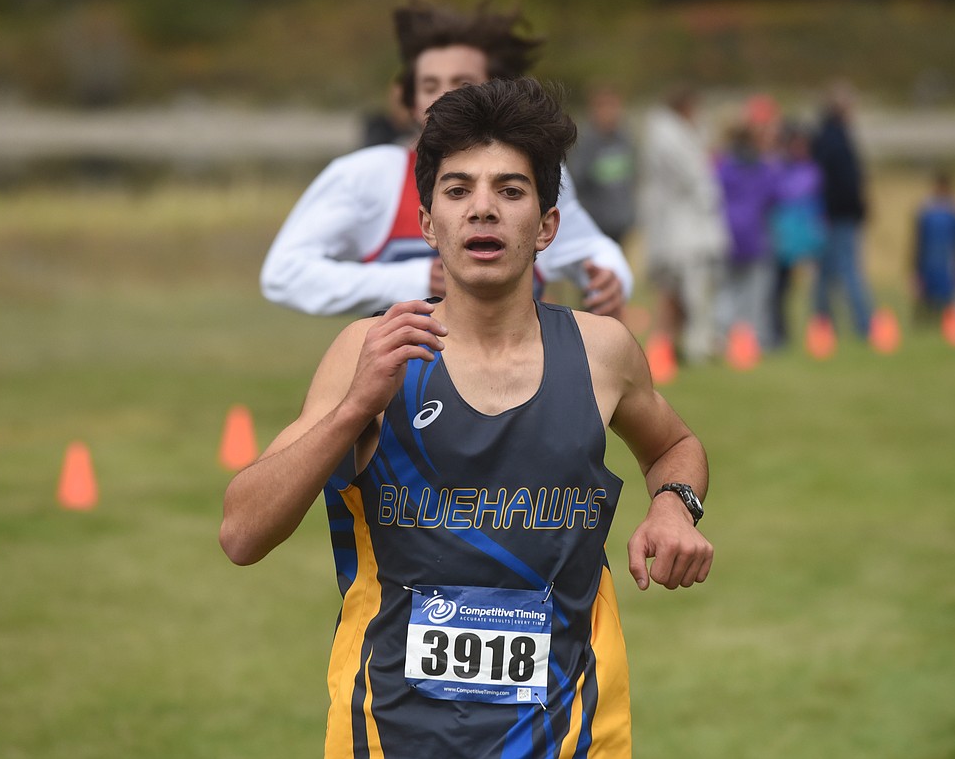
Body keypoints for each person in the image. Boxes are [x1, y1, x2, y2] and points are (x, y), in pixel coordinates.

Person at [221, 78, 713, 759]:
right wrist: (356, 405)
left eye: (510, 191)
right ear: (428, 223)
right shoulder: (369, 353)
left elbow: (675, 446)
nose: (483, 209)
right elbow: (242, 531)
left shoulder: (602, 353)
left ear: (546, 225)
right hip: (388, 736)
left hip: (569, 737)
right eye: (457, 191)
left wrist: (674, 506)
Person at [260, 0, 633, 321]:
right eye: (429, 85)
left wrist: (610, 278)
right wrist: (415, 279)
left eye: (462, 82)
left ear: (496, 89)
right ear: (409, 100)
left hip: (516, 386)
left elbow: (588, 251)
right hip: (404, 395)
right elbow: (284, 274)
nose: (443, 97)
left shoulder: (527, 170)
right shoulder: (367, 175)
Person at [639, 83, 729, 363]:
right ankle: (691, 346)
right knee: (688, 290)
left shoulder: (673, 134)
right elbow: (696, 180)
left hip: (680, 228)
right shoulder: (669, 137)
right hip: (681, 229)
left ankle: (674, 345)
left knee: (679, 292)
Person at [810, 81, 875, 338]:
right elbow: (844, 182)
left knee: (826, 273)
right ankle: (862, 324)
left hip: (828, 213)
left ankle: (822, 324)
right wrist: (858, 208)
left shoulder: (825, 137)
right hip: (839, 215)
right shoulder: (836, 138)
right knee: (848, 270)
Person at [714, 119, 779, 349]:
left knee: (726, 289)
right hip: (754, 234)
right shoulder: (761, 167)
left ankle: (722, 336)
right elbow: (774, 195)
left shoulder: (723, 166)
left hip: (727, 233)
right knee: (754, 292)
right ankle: (751, 339)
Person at [769, 121, 826, 347]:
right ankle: (782, 333)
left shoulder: (811, 171)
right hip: (784, 240)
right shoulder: (781, 168)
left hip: (806, 241)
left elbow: (789, 193)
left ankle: (818, 333)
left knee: (812, 290)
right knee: (781, 291)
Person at [568, 84, 639, 247]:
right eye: (604, 107)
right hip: (594, 225)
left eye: (613, 106)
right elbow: (576, 181)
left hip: (621, 223)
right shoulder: (584, 142)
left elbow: (632, 177)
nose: (609, 112)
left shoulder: (624, 138)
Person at [912, 169, 955, 322]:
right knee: (927, 296)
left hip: (947, 260)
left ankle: (947, 322)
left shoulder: (954, 210)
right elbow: (918, 240)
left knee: (947, 295)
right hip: (929, 261)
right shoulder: (927, 209)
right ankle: (928, 322)